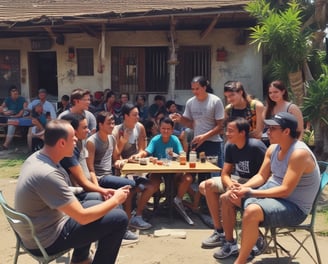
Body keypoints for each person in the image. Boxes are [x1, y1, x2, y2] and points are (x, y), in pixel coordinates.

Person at [14, 119, 130, 264]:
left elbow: (56, 190)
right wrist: (116, 200)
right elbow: (83, 217)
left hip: (40, 229)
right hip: (46, 240)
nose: (76, 140)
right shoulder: (47, 173)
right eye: (73, 138)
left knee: (96, 199)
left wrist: (103, 193)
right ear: (61, 143)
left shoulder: (37, 158)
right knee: (119, 218)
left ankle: (80, 258)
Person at [214, 112, 320, 263]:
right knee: (227, 197)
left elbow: (285, 190)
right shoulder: (273, 148)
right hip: (273, 198)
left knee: (252, 211)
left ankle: (241, 260)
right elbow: (261, 176)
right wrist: (242, 187)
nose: (267, 132)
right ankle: (231, 244)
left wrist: (251, 192)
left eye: (272, 129)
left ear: (286, 131)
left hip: (294, 208)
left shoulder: (299, 154)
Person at [59, 113, 138, 244]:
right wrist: (103, 190)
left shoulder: (81, 143)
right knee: (113, 199)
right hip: (77, 193)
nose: (88, 130)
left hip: (82, 188)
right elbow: (83, 179)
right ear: (74, 131)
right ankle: (120, 232)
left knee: (113, 196)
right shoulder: (73, 150)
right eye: (84, 128)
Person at [199, 117, 266, 249]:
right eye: (226, 130)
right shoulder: (230, 146)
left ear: (242, 133)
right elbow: (225, 173)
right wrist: (230, 184)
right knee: (206, 185)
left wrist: (243, 187)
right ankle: (219, 231)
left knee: (226, 197)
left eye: (230, 131)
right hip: (238, 180)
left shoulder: (256, 147)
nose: (227, 134)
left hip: (256, 185)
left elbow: (266, 175)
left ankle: (238, 229)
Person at [85, 111, 140, 243]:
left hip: (110, 175)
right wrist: (97, 188)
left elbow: (115, 157)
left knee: (130, 187)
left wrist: (122, 161)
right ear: (100, 124)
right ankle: (123, 228)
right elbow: (90, 168)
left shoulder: (111, 138)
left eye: (113, 122)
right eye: (109, 123)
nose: (112, 125)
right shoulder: (92, 141)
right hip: (100, 178)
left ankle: (124, 223)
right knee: (129, 185)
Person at [138, 117, 194, 225]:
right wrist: (142, 156)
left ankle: (177, 201)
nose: (166, 131)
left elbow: (182, 155)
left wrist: (176, 155)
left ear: (172, 130)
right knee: (152, 185)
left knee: (188, 178)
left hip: (173, 172)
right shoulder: (155, 139)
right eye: (163, 128)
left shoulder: (175, 139)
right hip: (157, 171)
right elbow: (146, 152)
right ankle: (140, 213)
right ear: (159, 128)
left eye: (168, 129)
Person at [112, 103, 155, 230]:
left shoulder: (140, 127)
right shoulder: (117, 130)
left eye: (138, 114)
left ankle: (138, 214)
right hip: (123, 170)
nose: (138, 117)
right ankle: (127, 219)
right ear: (125, 116)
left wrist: (138, 155)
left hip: (137, 167)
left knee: (151, 186)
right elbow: (115, 156)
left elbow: (143, 149)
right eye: (134, 115)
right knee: (129, 189)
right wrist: (123, 142)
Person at [170, 75, 225, 172]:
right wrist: (180, 119)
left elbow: (220, 126)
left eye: (197, 88)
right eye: (193, 89)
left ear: (204, 87)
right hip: (197, 143)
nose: (195, 91)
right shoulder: (190, 102)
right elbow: (191, 124)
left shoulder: (215, 101)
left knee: (214, 175)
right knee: (201, 175)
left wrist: (204, 137)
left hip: (213, 143)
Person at [0, 85, 27, 150]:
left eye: (16, 91)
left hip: (18, 117)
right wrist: (4, 112)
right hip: (8, 116)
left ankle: (5, 145)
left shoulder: (22, 99)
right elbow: (1, 107)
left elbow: (22, 112)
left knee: (12, 124)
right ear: (10, 93)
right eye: (13, 91)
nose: (15, 92)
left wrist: (13, 116)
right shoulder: (8, 99)